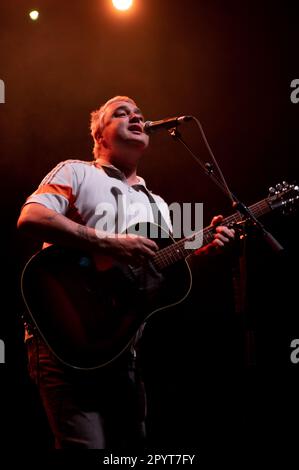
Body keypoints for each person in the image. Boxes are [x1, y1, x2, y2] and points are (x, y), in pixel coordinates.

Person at [17, 95, 235, 449]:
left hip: (120, 349)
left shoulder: (157, 204)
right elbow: (32, 217)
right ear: (99, 136)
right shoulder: (76, 171)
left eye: (139, 114)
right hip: (64, 337)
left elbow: (158, 275)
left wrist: (205, 249)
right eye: (121, 113)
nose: (136, 117)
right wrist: (110, 243)